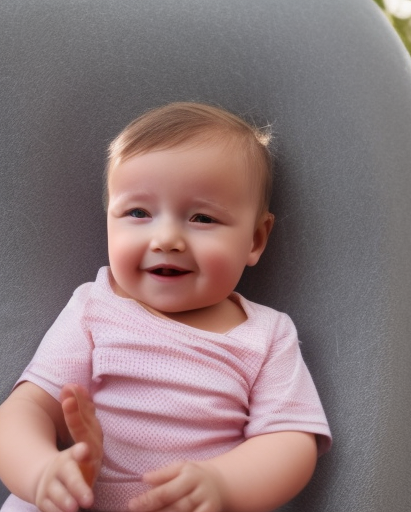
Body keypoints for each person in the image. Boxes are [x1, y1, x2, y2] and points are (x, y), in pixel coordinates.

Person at [0, 102, 332, 512]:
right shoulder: (95, 307)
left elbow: (290, 442)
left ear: (255, 240)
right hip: (73, 499)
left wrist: (224, 485)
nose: (166, 239)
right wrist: (41, 471)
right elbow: (26, 408)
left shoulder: (267, 335)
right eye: (138, 213)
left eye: (202, 218)